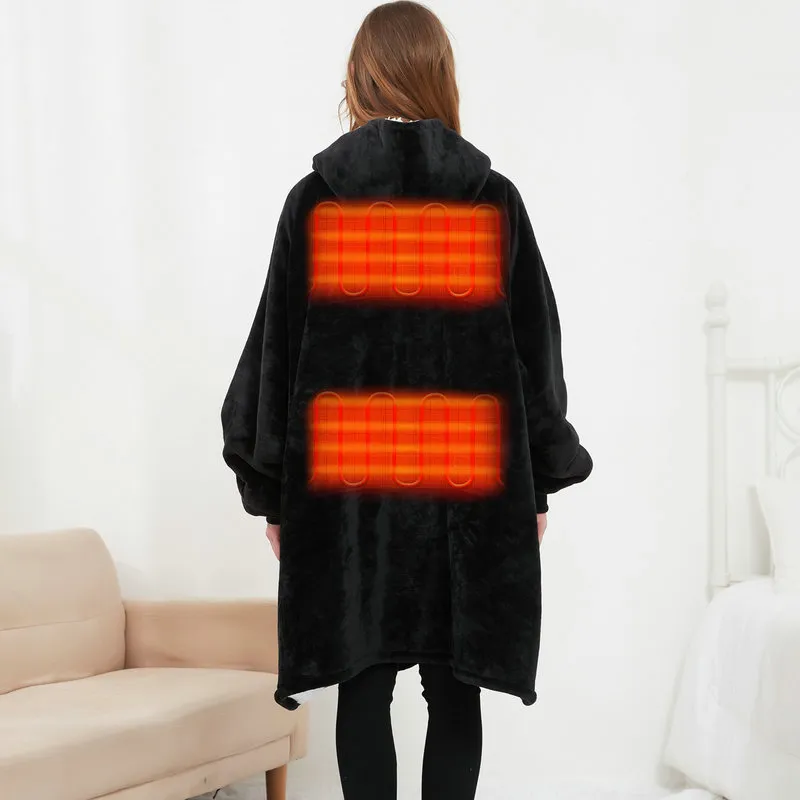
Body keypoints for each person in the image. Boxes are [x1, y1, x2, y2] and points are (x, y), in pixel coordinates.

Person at [221, 2, 593, 798]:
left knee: (364, 678)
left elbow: (276, 354)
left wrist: (273, 492)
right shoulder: (490, 201)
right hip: (467, 484)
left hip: (348, 488)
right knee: (454, 682)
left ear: (359, 79)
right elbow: (534, 355)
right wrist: (537, 480)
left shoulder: (317, 202)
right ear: (441, 78)